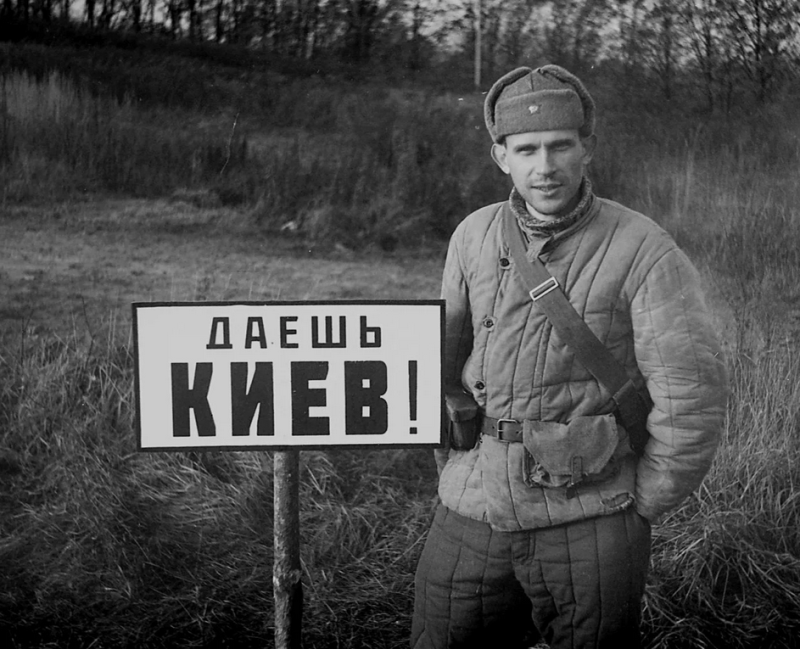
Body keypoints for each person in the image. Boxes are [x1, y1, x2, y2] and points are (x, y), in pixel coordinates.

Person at [410, 64, 728, 649]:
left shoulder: (644, 248)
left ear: (588, 148)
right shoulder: (473, 235)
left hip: (592, 514)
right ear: (501, 157)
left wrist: (643, 502)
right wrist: (454, 470)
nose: (545, 166)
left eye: (560, 145)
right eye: (526, 149)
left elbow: (692, 394)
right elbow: (440, 370)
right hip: (473, 509)